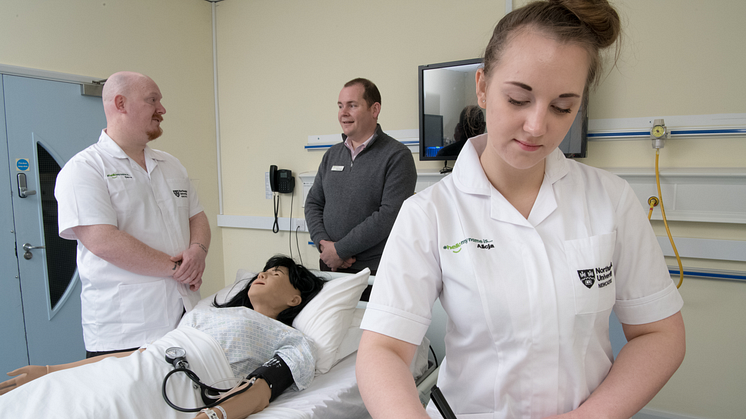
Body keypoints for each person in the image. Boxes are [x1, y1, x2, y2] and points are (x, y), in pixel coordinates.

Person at [356, 1, 686, 418]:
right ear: (482, 86)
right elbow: (383, 349)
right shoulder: (430, 213)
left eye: (562, 107)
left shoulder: (611, 200)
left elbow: (660, 332)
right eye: (517, 99)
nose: (537, 126)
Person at [0, 256, 325, 419]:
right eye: (263, 271)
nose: (263, 274)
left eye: (277, 274)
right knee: (53, 394)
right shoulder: (208, 310)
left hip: (179, 382)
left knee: (95, 409)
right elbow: (141, 352)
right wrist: (50, 370)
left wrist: (216, 415)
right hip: (142, 365)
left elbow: (265, 387)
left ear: (295, 299)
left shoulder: (290, 338)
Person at [54, 71, 212, 358]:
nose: (162, 110)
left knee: (185, 399)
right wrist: (179, 269)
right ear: (121, 104)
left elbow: (197, 216)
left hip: (185, 316)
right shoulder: (84, 169)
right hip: (125, 329)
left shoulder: (171, 165)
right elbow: (102, 241)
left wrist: (198, 251)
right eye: (153, 100)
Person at [304, 78, 417, 276]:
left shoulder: (397, 156)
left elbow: (389, 215)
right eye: (340, 106)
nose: (343, 113)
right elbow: (313, 202)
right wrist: (323, 244)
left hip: (373, 270)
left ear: (374, 110)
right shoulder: (332, 155)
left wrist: (341, 250)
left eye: (352, 105)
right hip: (330, 265)